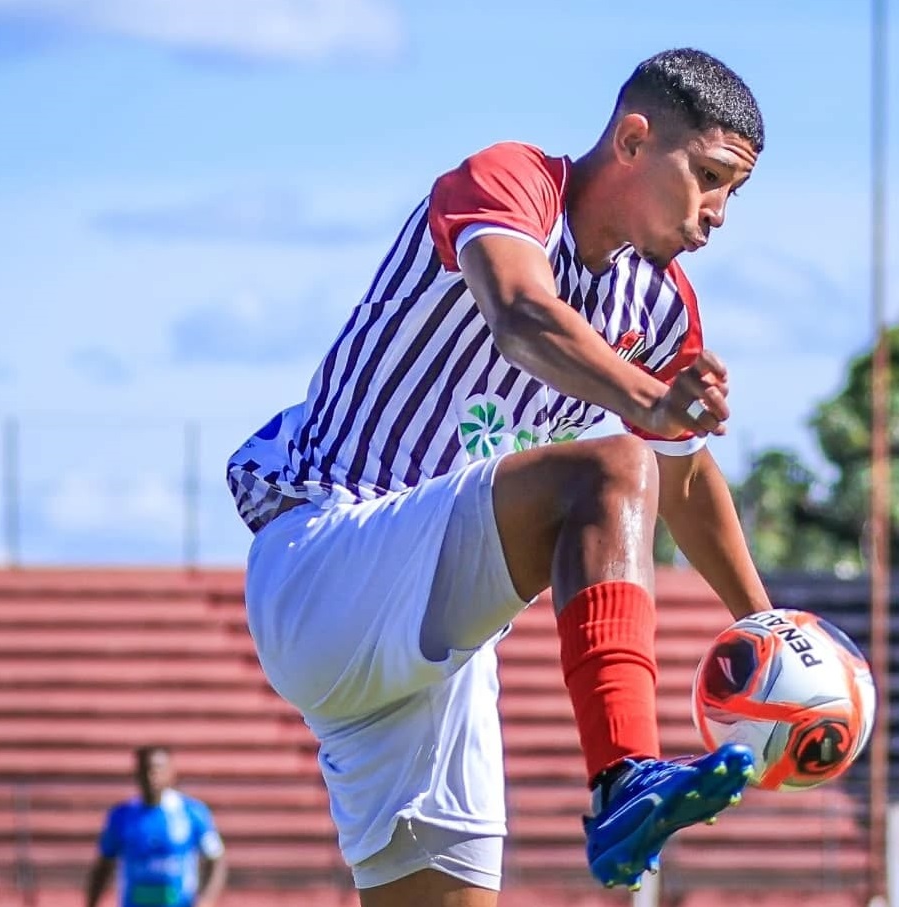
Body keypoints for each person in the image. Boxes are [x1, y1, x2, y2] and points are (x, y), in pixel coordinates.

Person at [227, 47, 775, 907]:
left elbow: (687, 477)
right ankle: (625, 773)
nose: (717, 213)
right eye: (707, 176)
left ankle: (624, 780)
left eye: (734, 192)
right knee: (608, 468)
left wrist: (767, 622)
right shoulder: (514, 182)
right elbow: (523, 316)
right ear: (632, 140)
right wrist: (649, 403)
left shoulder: (661, 304)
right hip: (328, 557)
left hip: (433, 649)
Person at [84, 746, 227, 907]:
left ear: (171, 773)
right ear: (136, 773)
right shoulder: (121, 816)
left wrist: (206, 900)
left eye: (157, 769)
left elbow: (215, 858)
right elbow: (104, 863)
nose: (151, 776)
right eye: (145, 770)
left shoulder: (192, 813)